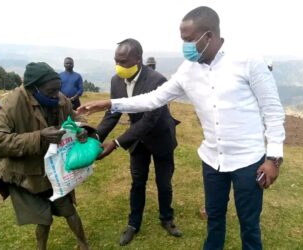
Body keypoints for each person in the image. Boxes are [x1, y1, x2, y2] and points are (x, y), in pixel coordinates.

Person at [77, 6, 285, 250]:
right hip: (212, 160)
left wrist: (273, 158)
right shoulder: (188, 69)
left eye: (188, 39)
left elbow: (272, 110)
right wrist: (111, 103)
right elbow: (154, 98)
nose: (184, 45)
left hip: (249, 160)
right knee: (215, 218)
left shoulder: (248, 61)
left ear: (208, 36)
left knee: (249, 224)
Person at [0, 62, 92, 250]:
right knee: (43, 218)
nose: (56, 95)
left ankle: (83, 244)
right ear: (33, 88)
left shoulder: (59, 99)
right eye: (51, 91)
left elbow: (76, 118)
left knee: (68, 209)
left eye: (58, 90)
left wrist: (82, 130)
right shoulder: (12, 103)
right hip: (29, 173)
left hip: (56, 171)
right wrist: (38, 138)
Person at [95, 38, 182, 246]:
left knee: (164, 182)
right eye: (116, 60)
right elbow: (112, 113)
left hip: (160, 137)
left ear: (138, 59)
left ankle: (167, 218)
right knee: (137, 182)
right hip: (137, 141)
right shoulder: (116, 81)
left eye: (123, 61)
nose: (119, 66)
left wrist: (115, 143)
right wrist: (95, 137)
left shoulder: (156, 81)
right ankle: (133, 224)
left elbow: (150, 120)